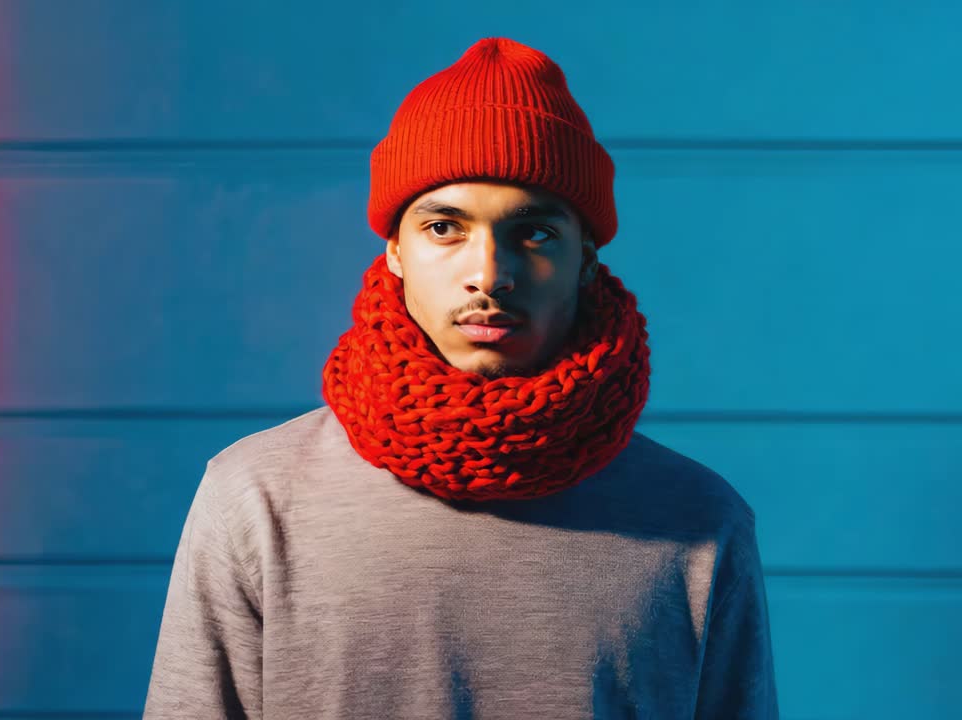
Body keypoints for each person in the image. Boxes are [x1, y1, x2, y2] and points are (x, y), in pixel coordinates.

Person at [143, 36, 778, 719]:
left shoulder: (700, 521)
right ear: (395, 251)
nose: (489, 273)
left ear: (586, 259)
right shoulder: (255, 498)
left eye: (534, 234)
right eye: (445, 227)